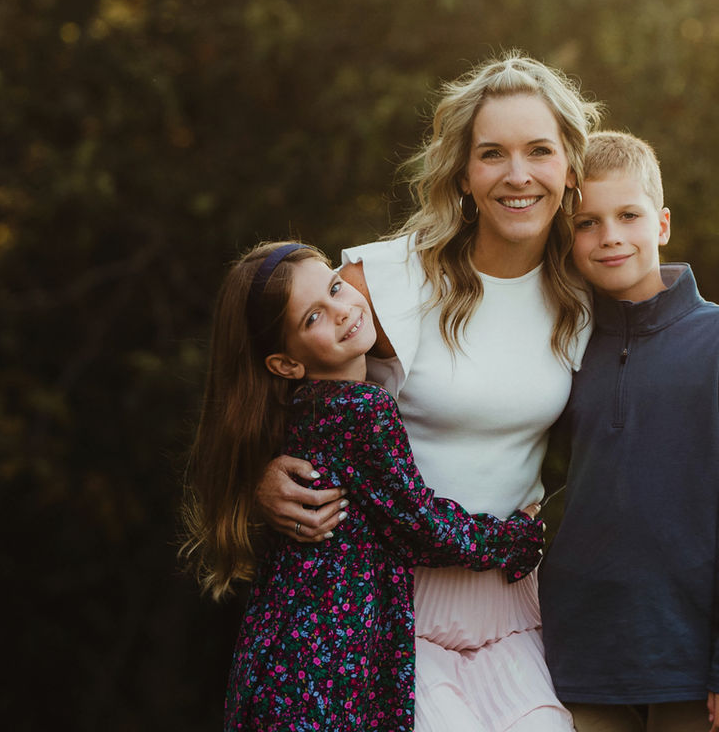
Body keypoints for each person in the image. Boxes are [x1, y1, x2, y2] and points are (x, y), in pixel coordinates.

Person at [256, 54, 601, 732]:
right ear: (465, 175)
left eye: (539, 151)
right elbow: (280, 372)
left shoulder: (584, 299)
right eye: (492, 154)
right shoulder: (385, 282)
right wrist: (257, 478)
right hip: (390, 603)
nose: (517, 174)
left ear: (568, 166)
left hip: (510, 601)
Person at [184, 240, 547, 732]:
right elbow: (420, 525)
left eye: (336, 288)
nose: (342, 310)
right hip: (328, 666)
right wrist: (515, 541)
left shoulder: (304, 412)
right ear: (285, 364)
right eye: (313, 318)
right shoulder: (362, 411)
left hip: (281, 653)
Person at [544, 131, 719, 732]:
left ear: (660, 224)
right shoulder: (561, 345)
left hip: (696, 663)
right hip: (577, 661)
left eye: (627, 215)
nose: (609, 236)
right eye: (587, 223)